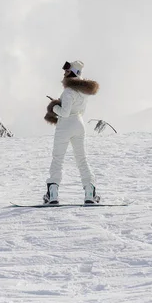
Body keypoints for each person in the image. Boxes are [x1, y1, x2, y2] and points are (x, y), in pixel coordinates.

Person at [43, 60, 100, 204]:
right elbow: (77, 109)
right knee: (81, 159)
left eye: (67, 71)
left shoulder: (68, 91)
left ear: (73, 73)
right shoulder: (83, 92)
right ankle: (89, 192)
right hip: (79, 124)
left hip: (65, 126)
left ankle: (53, 194)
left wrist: (53, 106)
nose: (64, 73)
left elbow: (65, 112)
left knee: (58, 158)